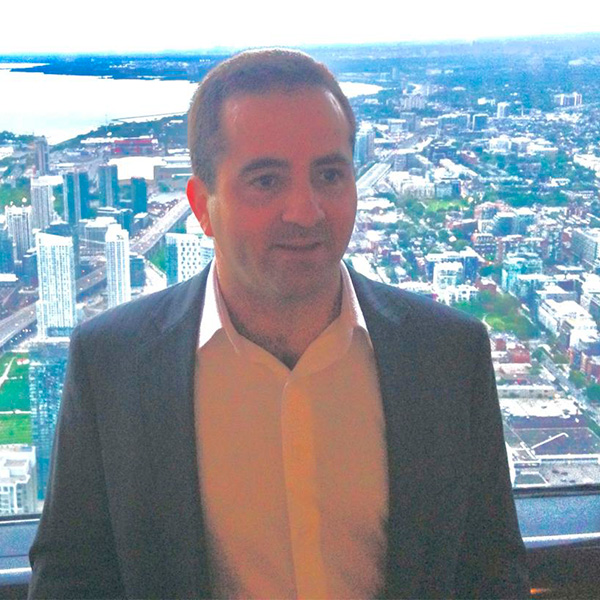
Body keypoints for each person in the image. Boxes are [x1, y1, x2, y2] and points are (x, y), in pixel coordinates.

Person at [28, 49, 530, 599]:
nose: (306, 211)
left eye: (330, 174)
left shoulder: (448, 353)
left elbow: (490, 568)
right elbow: (73, 578)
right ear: (202, 205)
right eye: (266, 181)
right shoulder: (112, 363)